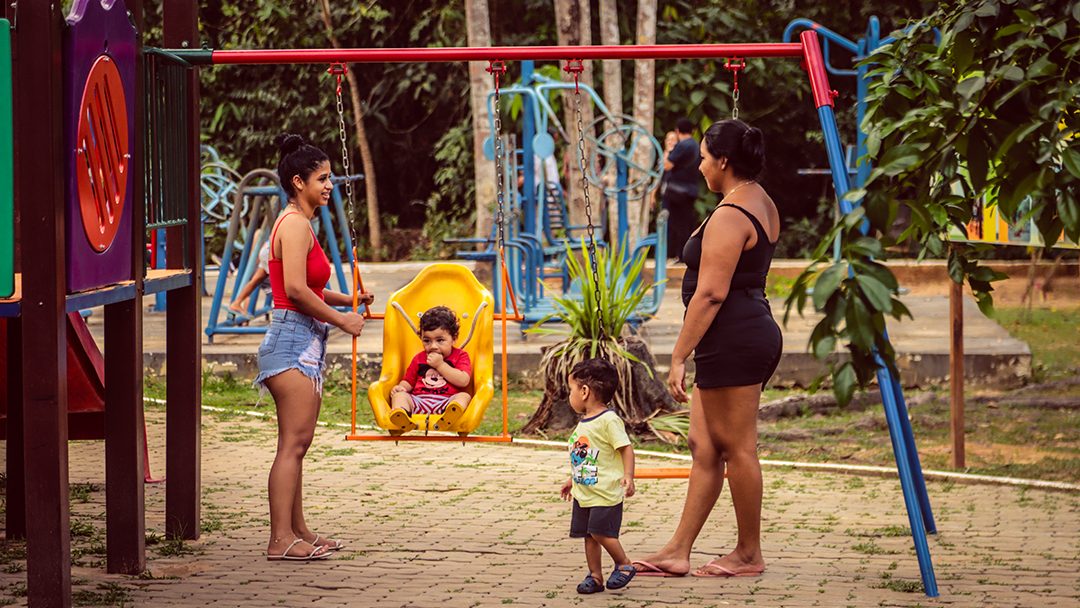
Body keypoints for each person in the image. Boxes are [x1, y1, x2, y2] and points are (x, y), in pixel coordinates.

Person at [633, 119, 780, 578]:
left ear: (724, 161)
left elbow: (711, 293)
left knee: (737, 448)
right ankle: (677, 550)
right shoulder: (757, 200)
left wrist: (678, 355)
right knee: (703, 445)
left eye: (703, 158)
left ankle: (749, 553)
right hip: (740, 331)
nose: (698, 166)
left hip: (733, 335)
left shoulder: (732, 215)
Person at [256, 133, 374, 561]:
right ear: (297, 181)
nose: (329, 185)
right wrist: (344, 320)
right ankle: (279, 540)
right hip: (291, 342)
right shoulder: (294, 224)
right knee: (293, 444)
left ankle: (297, 530)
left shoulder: (299, 223)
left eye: (330, 178)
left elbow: (309, 286)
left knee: (296, 443)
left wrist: (350, 301)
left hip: (299, 339)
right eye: (322, 178)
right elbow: (293, 290)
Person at [559, 358, 637, 594]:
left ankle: (624, 564)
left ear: (584, 391)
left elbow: (626, 448)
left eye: (570, 389)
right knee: (588, 535)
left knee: (601, 532)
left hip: (604, 491)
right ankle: (595, 576)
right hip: (585, 492)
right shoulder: (584, 423)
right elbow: (587, 456)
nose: (569, 395)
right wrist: (572, 480)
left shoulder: (609, 420)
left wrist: (628, 475)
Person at [388, 305, 473, 432]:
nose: (433, 346)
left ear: (454, 339)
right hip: (418, 401)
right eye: (427, 341)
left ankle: (449, 418)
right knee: (399, 396)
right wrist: (401, 388)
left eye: (440, 340)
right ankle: (402, 419)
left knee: (464, 396)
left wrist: (440, 365)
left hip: (446, 403)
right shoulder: (419, 358)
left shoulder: (460, 356)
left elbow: (463, 381)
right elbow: (408, 381)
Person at [661, 118, 701, 261]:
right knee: (686, 223)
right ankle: (685, 255)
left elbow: (667, 165)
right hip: (691, 190)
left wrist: (666, 154)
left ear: (678, 131)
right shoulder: (696, 145)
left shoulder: (683, 145)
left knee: (675, 225)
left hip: (676, 191)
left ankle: (677, 254)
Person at [228, 240, 271, 320]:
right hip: (271, 252)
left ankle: (236, 303)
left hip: (266, 249)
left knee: (254, 281)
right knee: (277, 286)